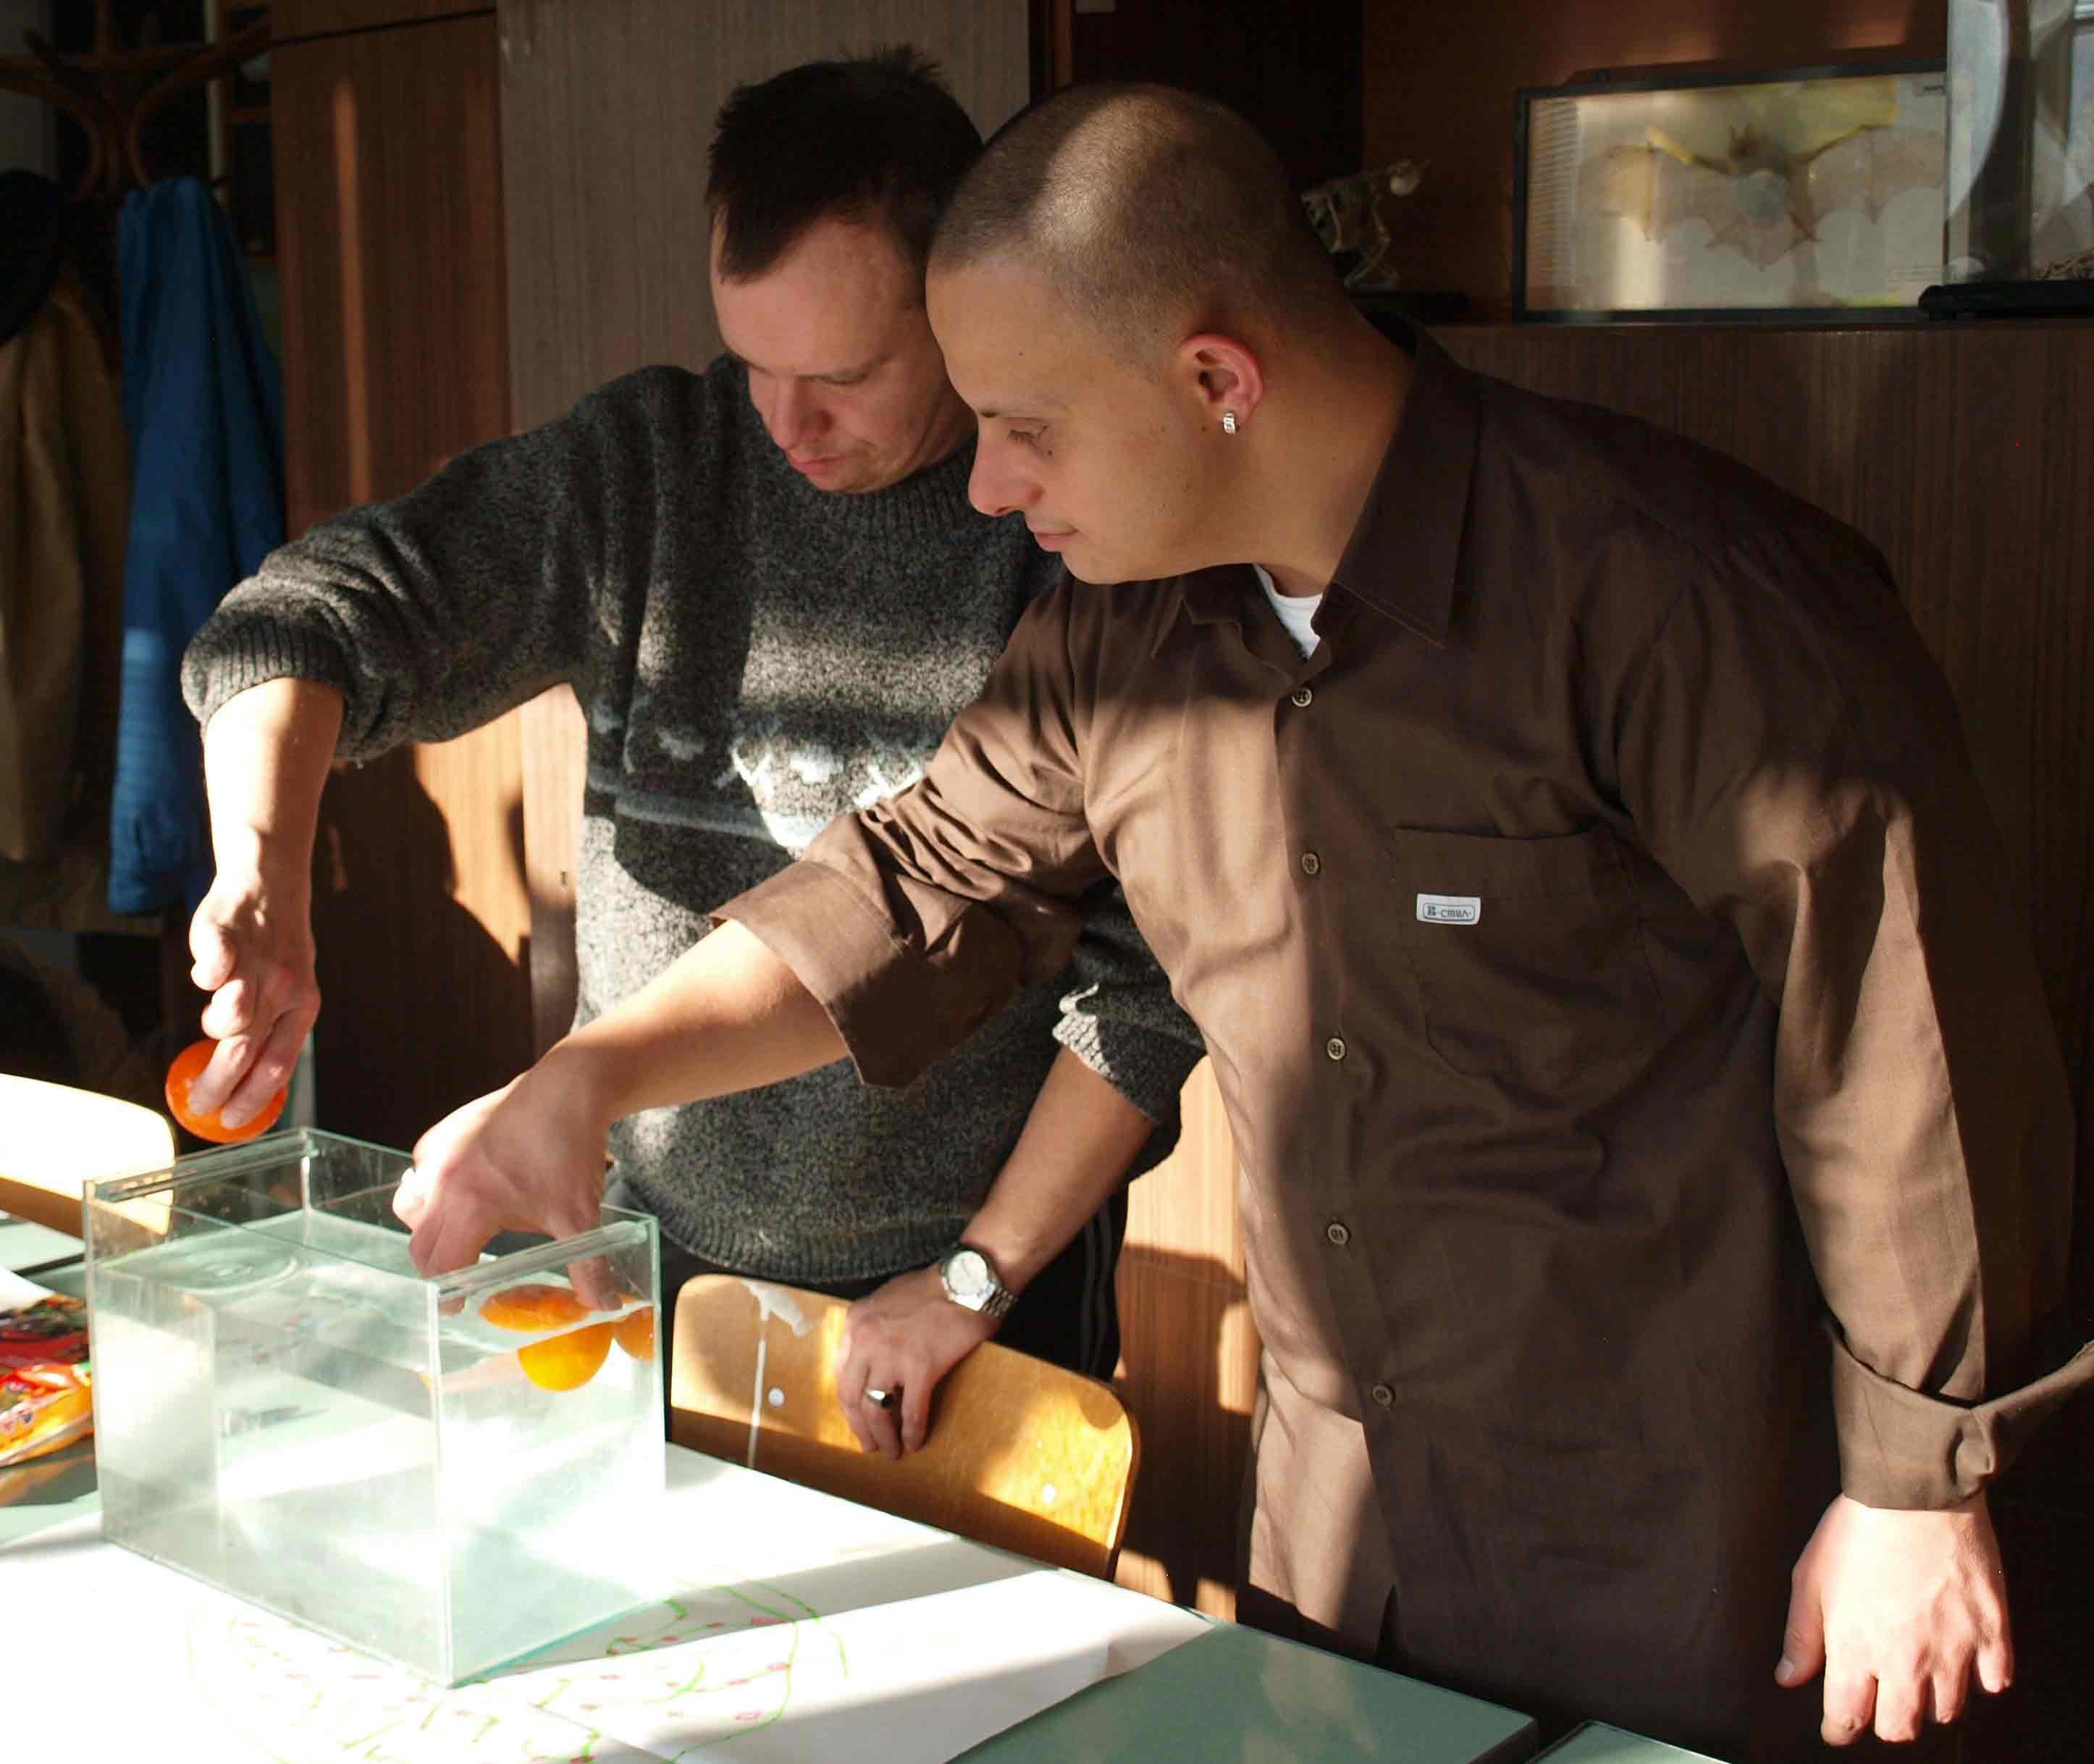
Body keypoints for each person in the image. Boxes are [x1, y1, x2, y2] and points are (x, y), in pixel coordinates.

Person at [389, 83, 2091, 1760]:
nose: (984, 491)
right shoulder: (1126, 638)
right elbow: (902, 885)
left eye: (1025, 429)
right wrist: (590, 1079)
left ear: (1215, 378)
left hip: (1692, 1535)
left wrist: (1918, 1486)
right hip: (1339, 1525)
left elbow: (1904, 1045)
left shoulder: (1672, 595)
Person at [177, 52, 1201, 1455]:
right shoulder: (652, 467)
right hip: (642, 1248)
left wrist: (980, 1272)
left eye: (842, 376)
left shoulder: (1065, 526)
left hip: (952, 1288)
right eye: (755, 363)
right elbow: (303, 620)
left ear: (964, 306)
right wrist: (262, 872)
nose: (787, 428)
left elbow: (1147, 989)